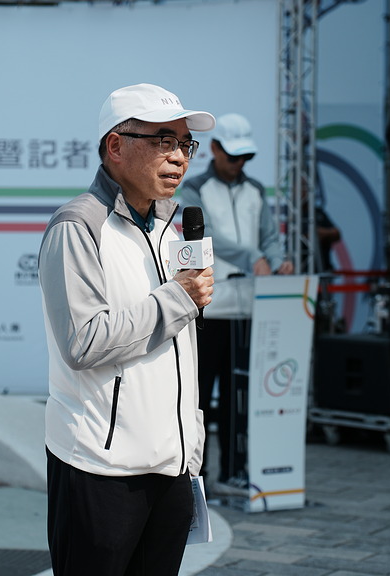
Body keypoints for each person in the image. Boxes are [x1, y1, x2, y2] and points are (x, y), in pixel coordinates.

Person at [38, 83, 215, 576]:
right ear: (116, 146)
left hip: (172, 467)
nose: (179, 157)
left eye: (186, 144)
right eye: (164, 141)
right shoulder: (78, 226)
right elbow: (84, 342)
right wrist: (179, 298)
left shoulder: (170, 227)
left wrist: (191, 445)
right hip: (101, 469)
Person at [177, 112, 292, 491]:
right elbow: (207, 238)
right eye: (233, 155)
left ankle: (233, 473)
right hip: (209, 308)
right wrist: (252, 256)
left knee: (237, 397)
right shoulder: (194, 189)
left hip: (249, 310)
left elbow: (269, 237)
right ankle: (197, 477)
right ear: (214, 148)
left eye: (245, 157)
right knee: (197, 397)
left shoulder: (256, 190)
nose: (239, 163)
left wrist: (277, 260)